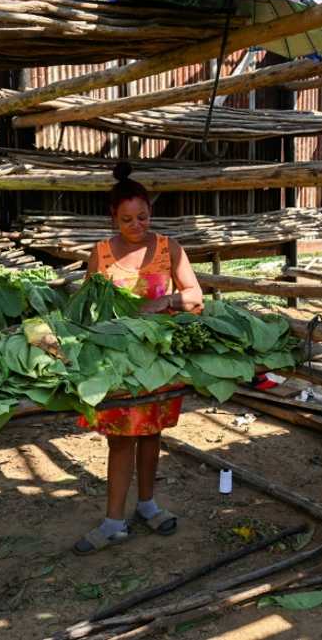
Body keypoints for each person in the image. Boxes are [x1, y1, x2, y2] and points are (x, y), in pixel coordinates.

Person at [72, 162, 204, 556]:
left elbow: (196, 296)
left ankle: (147, 505)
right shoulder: (100, 255)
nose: (136, 225)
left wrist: (166, 300)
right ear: (113, 218)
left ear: (150, 212)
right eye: (127, 219)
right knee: (120, 441)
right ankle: (114, 521)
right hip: (118, 362)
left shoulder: (168, 248)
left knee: (151, 435)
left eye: (143, 216)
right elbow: (88, 307)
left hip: (159, 360)